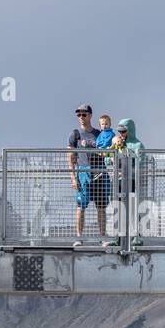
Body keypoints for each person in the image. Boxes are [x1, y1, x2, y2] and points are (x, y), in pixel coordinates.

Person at [68, 104, 109, 244]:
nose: (81, 117)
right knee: (80, 206)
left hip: (99, 173)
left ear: (90, 115)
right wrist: (73, 178)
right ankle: (79, 237)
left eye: (84, 114)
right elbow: (70, 158)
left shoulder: (99, 134)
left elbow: (109, 147)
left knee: (102, 207)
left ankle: (102, 237)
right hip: (83, 173)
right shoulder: (75, 135)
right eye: (78, 114)